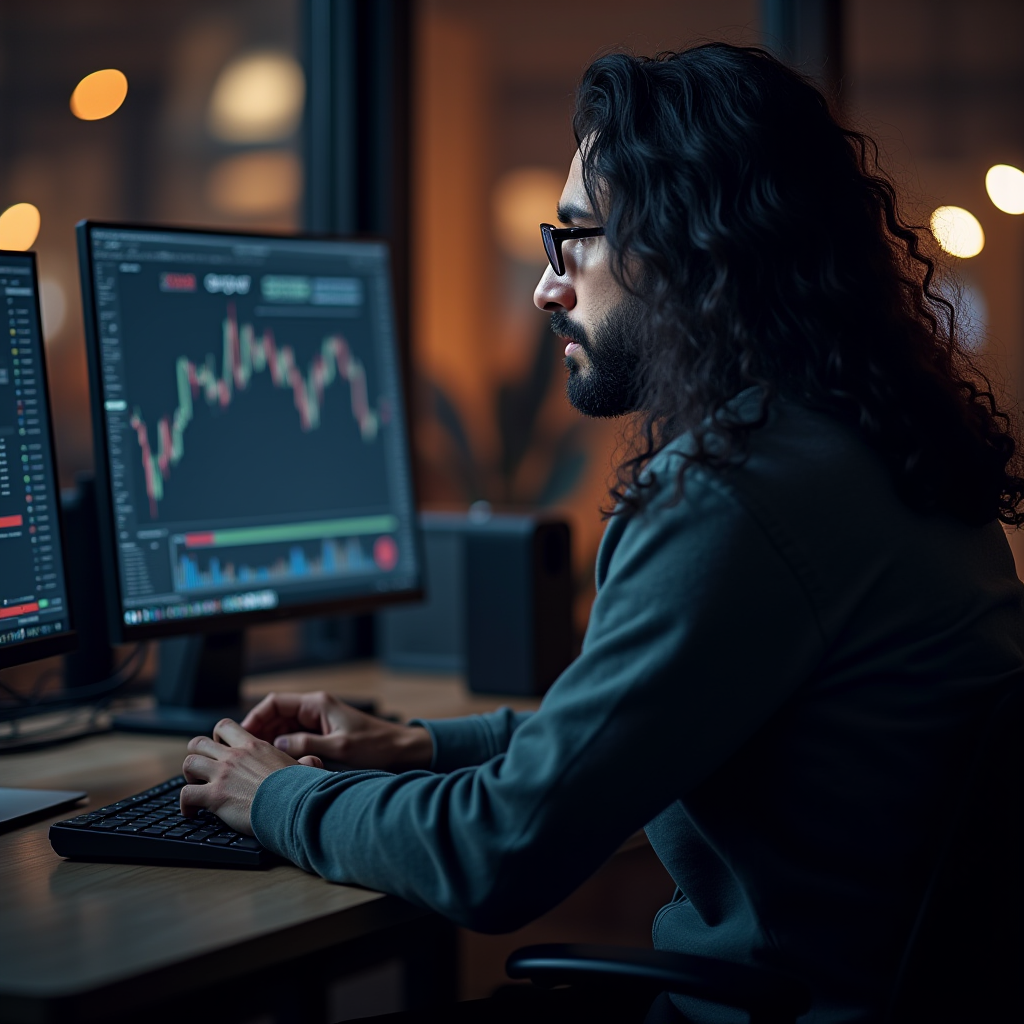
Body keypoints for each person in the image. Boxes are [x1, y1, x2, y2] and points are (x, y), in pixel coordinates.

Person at [178, 44, 1024, 1023]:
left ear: (685, 248)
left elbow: (496, 854)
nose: (547, 288)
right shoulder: (875, 446)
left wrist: (272, 793)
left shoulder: (730, 495)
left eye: (572, 239)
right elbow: (661, 730)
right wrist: (421, 742)